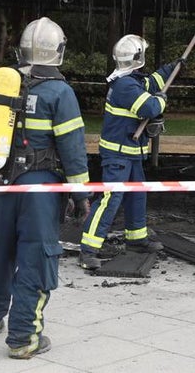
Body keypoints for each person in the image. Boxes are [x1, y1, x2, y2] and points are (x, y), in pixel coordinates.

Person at [0, 17, 91, 360]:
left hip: (2, 182)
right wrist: (82, 195)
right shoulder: (60, 93)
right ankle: (24, 337)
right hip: (40, 188)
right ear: (59, 52)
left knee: (0, 249)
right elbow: (72, 150)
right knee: (36, 255)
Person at [78, 34, 179, 270]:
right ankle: (88, 249)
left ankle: (136, 239)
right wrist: (162, 100)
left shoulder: (130, 80)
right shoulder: (125, 86)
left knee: (136, 195)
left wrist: (172, 68)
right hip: (118, 156)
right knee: (110, 200)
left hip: (131, 153)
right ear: (139, 58)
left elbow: (152, 82)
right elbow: (150, 107)